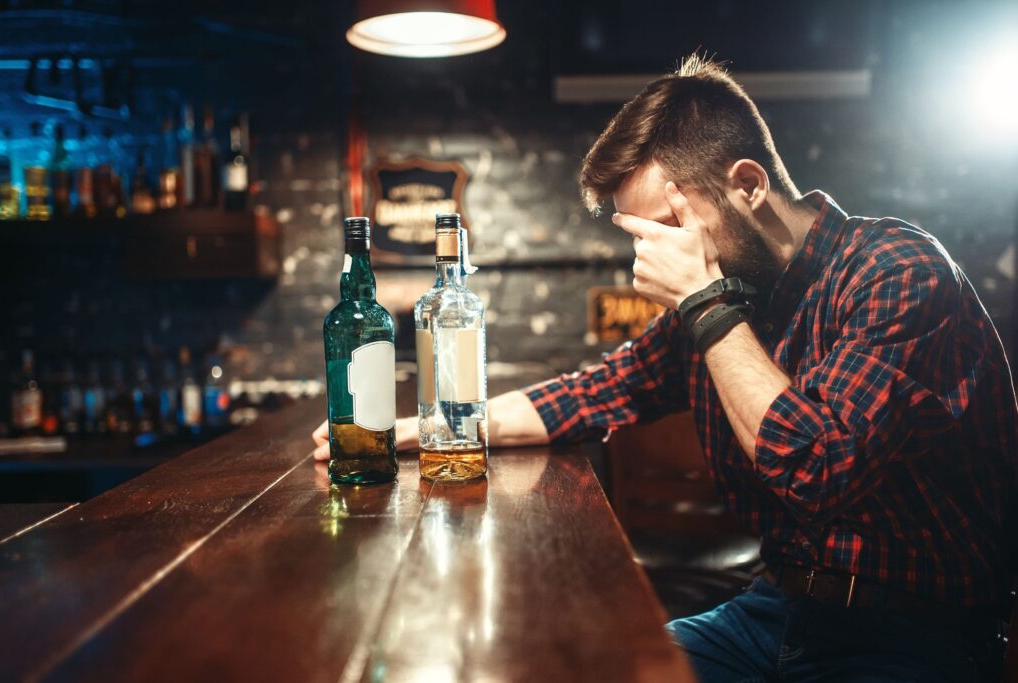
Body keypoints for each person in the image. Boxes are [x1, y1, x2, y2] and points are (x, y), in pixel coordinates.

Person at [313, 55, 1017, 681]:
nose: (653, 260)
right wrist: (414, 428)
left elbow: (815, 464)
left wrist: (703, 300)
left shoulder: (896, 270)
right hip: (775, 611)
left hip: (918, 638)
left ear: (747, 185)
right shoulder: (723, 295)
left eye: (669, 227)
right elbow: (582, 396)